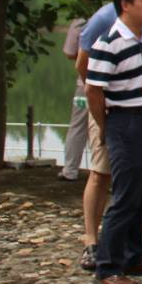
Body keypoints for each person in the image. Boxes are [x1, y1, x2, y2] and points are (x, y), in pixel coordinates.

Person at [75, 0, 142, 271]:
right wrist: (105, 126)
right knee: (125, 197)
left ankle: (133, 256)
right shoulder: (108, 43)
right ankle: (107, 265)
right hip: (125, 122)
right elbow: (92, 91)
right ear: (125, 5)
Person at [58, 17, 88, 181]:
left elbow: (69, 52)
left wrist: (83, 54)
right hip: (113, 85)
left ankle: (70, 170)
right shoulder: (117, 17)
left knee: (77, 126)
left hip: (83, 85)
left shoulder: (80, 22)